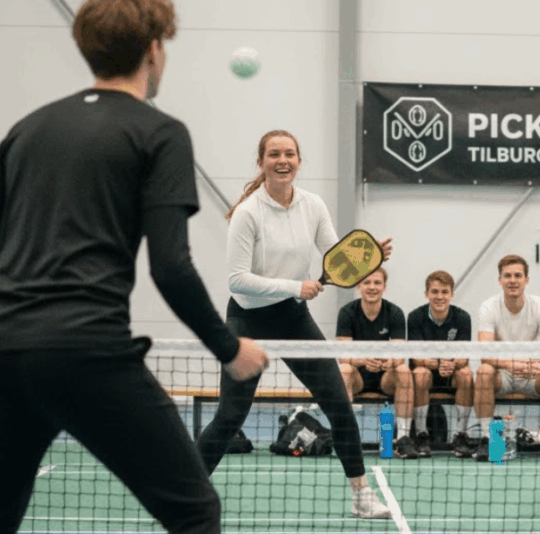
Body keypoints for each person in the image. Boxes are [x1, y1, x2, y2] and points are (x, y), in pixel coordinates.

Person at [0, 1, 270, 532]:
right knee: (195, 511)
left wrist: (27, 314)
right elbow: (170, 267)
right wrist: (230, 348)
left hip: (0, 347)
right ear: (154, 50)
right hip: (87, 352)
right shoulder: (159, 132)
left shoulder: (28, 128)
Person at [195, 129, 392, 519]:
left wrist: (367, 258)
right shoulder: (248, 212)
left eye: (289, 154)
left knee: (338, 403)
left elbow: (337, 258)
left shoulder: (313, 205)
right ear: (261, 162)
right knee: (231, 415)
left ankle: (361, 495)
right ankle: (185, 494)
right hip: (247, 318)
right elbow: (236, 279)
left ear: (299, 161)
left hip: (292, 317)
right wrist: (294, 285)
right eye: (273, 154)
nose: (282, 160)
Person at [475, 254, 540, 462]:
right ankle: (485, 439)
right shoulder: (488, 307)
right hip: (503, 375)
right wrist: (510, 364)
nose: (513, 280)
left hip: (533, 375)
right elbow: (484, 353)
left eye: (518, 275)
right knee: (483, 371)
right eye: (507, 276)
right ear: (500, 280)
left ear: (526, 280)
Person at [338, 268, 418, 459]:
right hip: (358, 377)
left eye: (377, 283)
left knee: (404, 370)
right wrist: (365, 361)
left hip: (385, 378)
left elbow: (399, 355)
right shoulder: (347, 312)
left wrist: (387, 364)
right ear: (359, 286)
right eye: (367, 282)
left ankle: (403, 438)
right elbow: (342, 355)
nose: (372, 287)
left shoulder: (395, 313)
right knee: (344, 369)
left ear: (384, 287)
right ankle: (347, 438)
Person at [408, 270, 474, 458]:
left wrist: (453, 365)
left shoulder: (462, 317)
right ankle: (421, 434)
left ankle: (460, 435)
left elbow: (464, 356)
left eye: (444, 292)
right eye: (435, 292)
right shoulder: (415, 317)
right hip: (426, 373)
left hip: (450, 373)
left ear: (452, 294)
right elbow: (415, 357)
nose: (439, 297)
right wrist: (438, 365)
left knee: (466, 374)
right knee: (420, 373)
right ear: (427, 294)